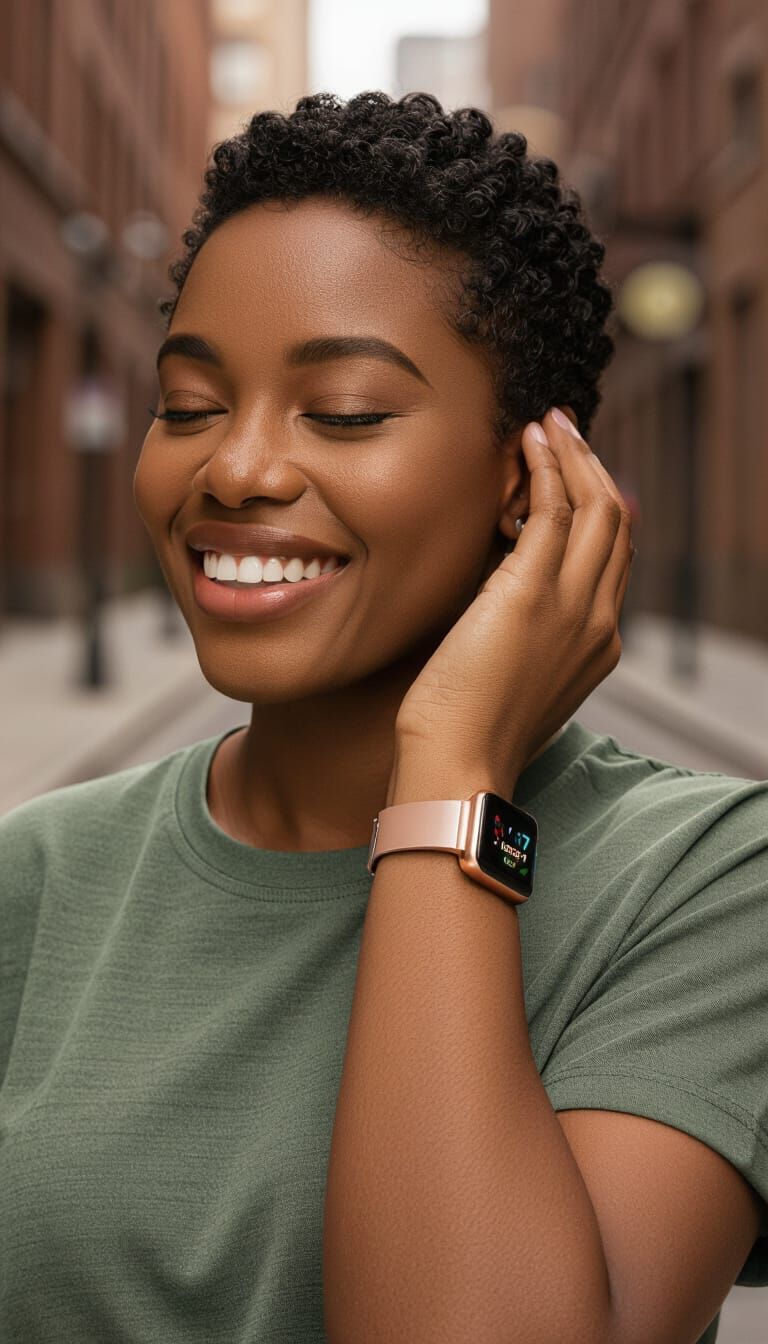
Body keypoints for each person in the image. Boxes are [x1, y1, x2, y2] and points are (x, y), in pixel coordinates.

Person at [1, 92, 765, 1344]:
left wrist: (456, 772)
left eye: (345, 411)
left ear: (533, 477)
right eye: (187, 406)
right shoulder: (35, 877)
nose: (234, 468)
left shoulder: (708, 884)